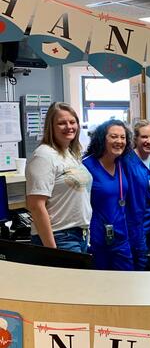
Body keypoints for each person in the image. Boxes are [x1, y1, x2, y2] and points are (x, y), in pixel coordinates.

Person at [26, 102, 92, 252]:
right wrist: (52, 251)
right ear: (51, 127)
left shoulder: (71, 153)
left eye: (72, 122)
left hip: (79, 235)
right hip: (59, 237)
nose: (69, 127)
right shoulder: (44, 155)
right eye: (62, 123)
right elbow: (36, 205)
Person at [83, 119, 134, 270]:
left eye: (123, 137)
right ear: (102, 139)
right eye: (113, 136)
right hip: (97, 239)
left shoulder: (122, 163)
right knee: (101, 287)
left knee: (126, 284)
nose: (119, 141)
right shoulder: (86, 166)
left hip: (121, 238)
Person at [122, 119, 150, 270]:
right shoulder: (126, 161)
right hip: (134, 226)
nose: (149, 141)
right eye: (144, 137)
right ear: (135, 139)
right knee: (139, 266)